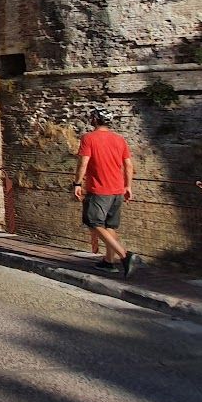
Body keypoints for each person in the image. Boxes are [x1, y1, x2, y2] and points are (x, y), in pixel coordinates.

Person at [73, 108, 138, 277]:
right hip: (117, 190)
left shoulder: (88, 138)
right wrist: (128, 186)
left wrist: (77, 183)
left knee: (93, 222)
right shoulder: (120, 139)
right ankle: (109, 262)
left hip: (99, 189)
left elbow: (83, 163)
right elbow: (129, 165)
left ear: (94, 120)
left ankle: (124, 255)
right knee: (109, 225)